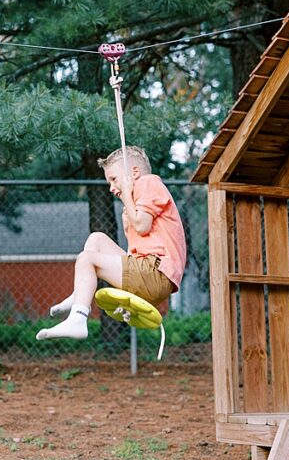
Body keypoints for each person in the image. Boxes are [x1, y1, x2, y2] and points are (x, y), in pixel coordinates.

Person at [37, 146, 186, 341]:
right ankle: (79, 295)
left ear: (134, 173)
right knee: (96, 239)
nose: (111, 188)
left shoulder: (148, 182)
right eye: (109, 182)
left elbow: (142, 225)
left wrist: (127, 196)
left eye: (114, 179)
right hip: (150, 273)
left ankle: (78, 318)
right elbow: (136, 249)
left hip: (155, 271)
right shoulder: (137, 200)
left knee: (86, 259)